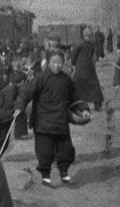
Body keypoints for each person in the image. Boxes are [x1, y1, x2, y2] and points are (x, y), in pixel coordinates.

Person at [14, 51, 89, 186]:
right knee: (45, 151)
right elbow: (26, 93)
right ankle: (46, 176)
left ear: (63, 62)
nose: (57, 65)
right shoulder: (40, 78)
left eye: (59, 62)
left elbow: (75, 97)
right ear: (48, 63)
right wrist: (20, 107)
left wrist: (84, 109)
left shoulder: (66, 80)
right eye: (53, 62)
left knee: (66, 150)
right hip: (43, 122)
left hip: (61, 121)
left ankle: (64, 173)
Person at [70, 27, 104, 110]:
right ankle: (78, 105)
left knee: (91, 86)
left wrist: (74, 64)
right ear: (83, 35)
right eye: (87, 35)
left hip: (87, 68)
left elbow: (74, 56)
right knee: (86, 86)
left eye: (89, 35)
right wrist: (74, 64)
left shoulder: (88, 44)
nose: (88, 37)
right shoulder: (81, 44)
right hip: (83, 68)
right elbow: (74, 56)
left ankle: (97, 105)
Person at [0, 72, 25, 154]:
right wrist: (18, 105)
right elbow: (9, 104)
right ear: (22, 81)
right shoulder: (12, 89)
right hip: (2, 118)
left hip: (3, 117)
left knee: (3, 143)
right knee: (2, 143)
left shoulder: (13, 88)